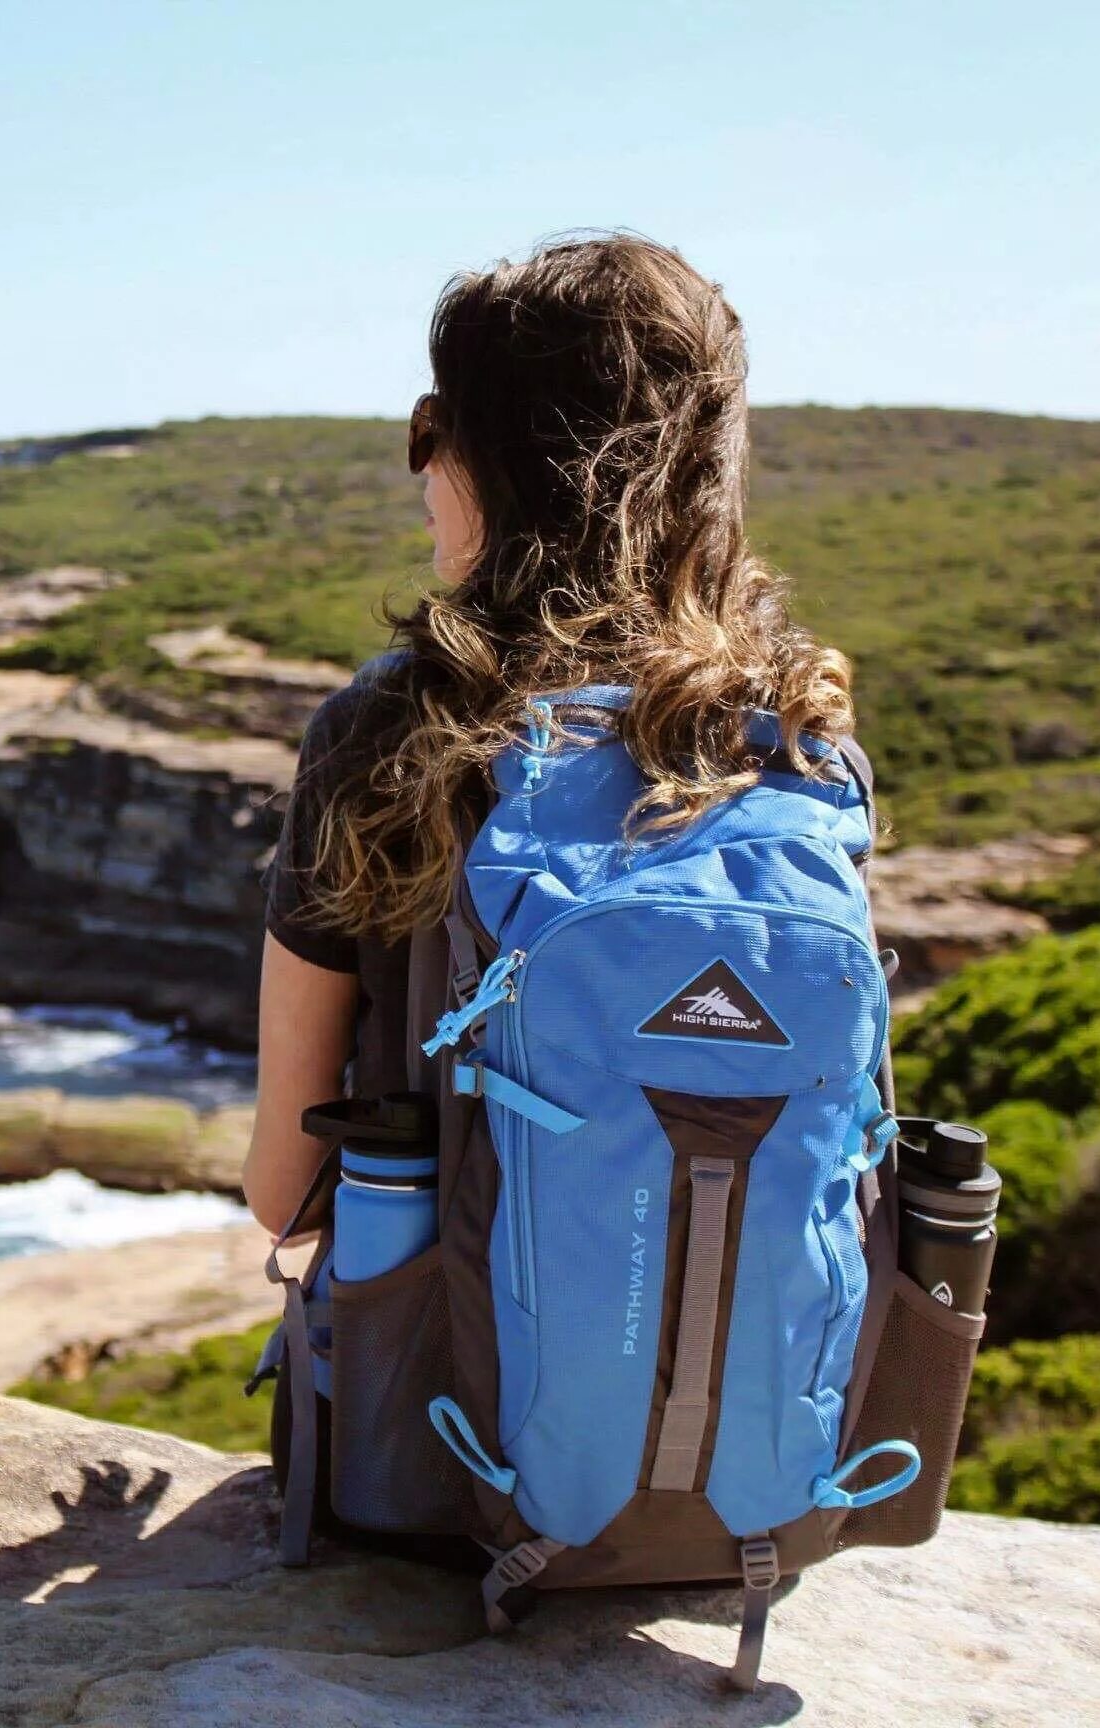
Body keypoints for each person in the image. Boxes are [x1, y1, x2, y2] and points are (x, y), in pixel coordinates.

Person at [243, 230, 858, 1235]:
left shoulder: (391, 730)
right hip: (756, 1379)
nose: (424, 470)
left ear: (499, 458)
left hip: (450, 1382)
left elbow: (288, 1192)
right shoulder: (804, 742)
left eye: (433, 429)